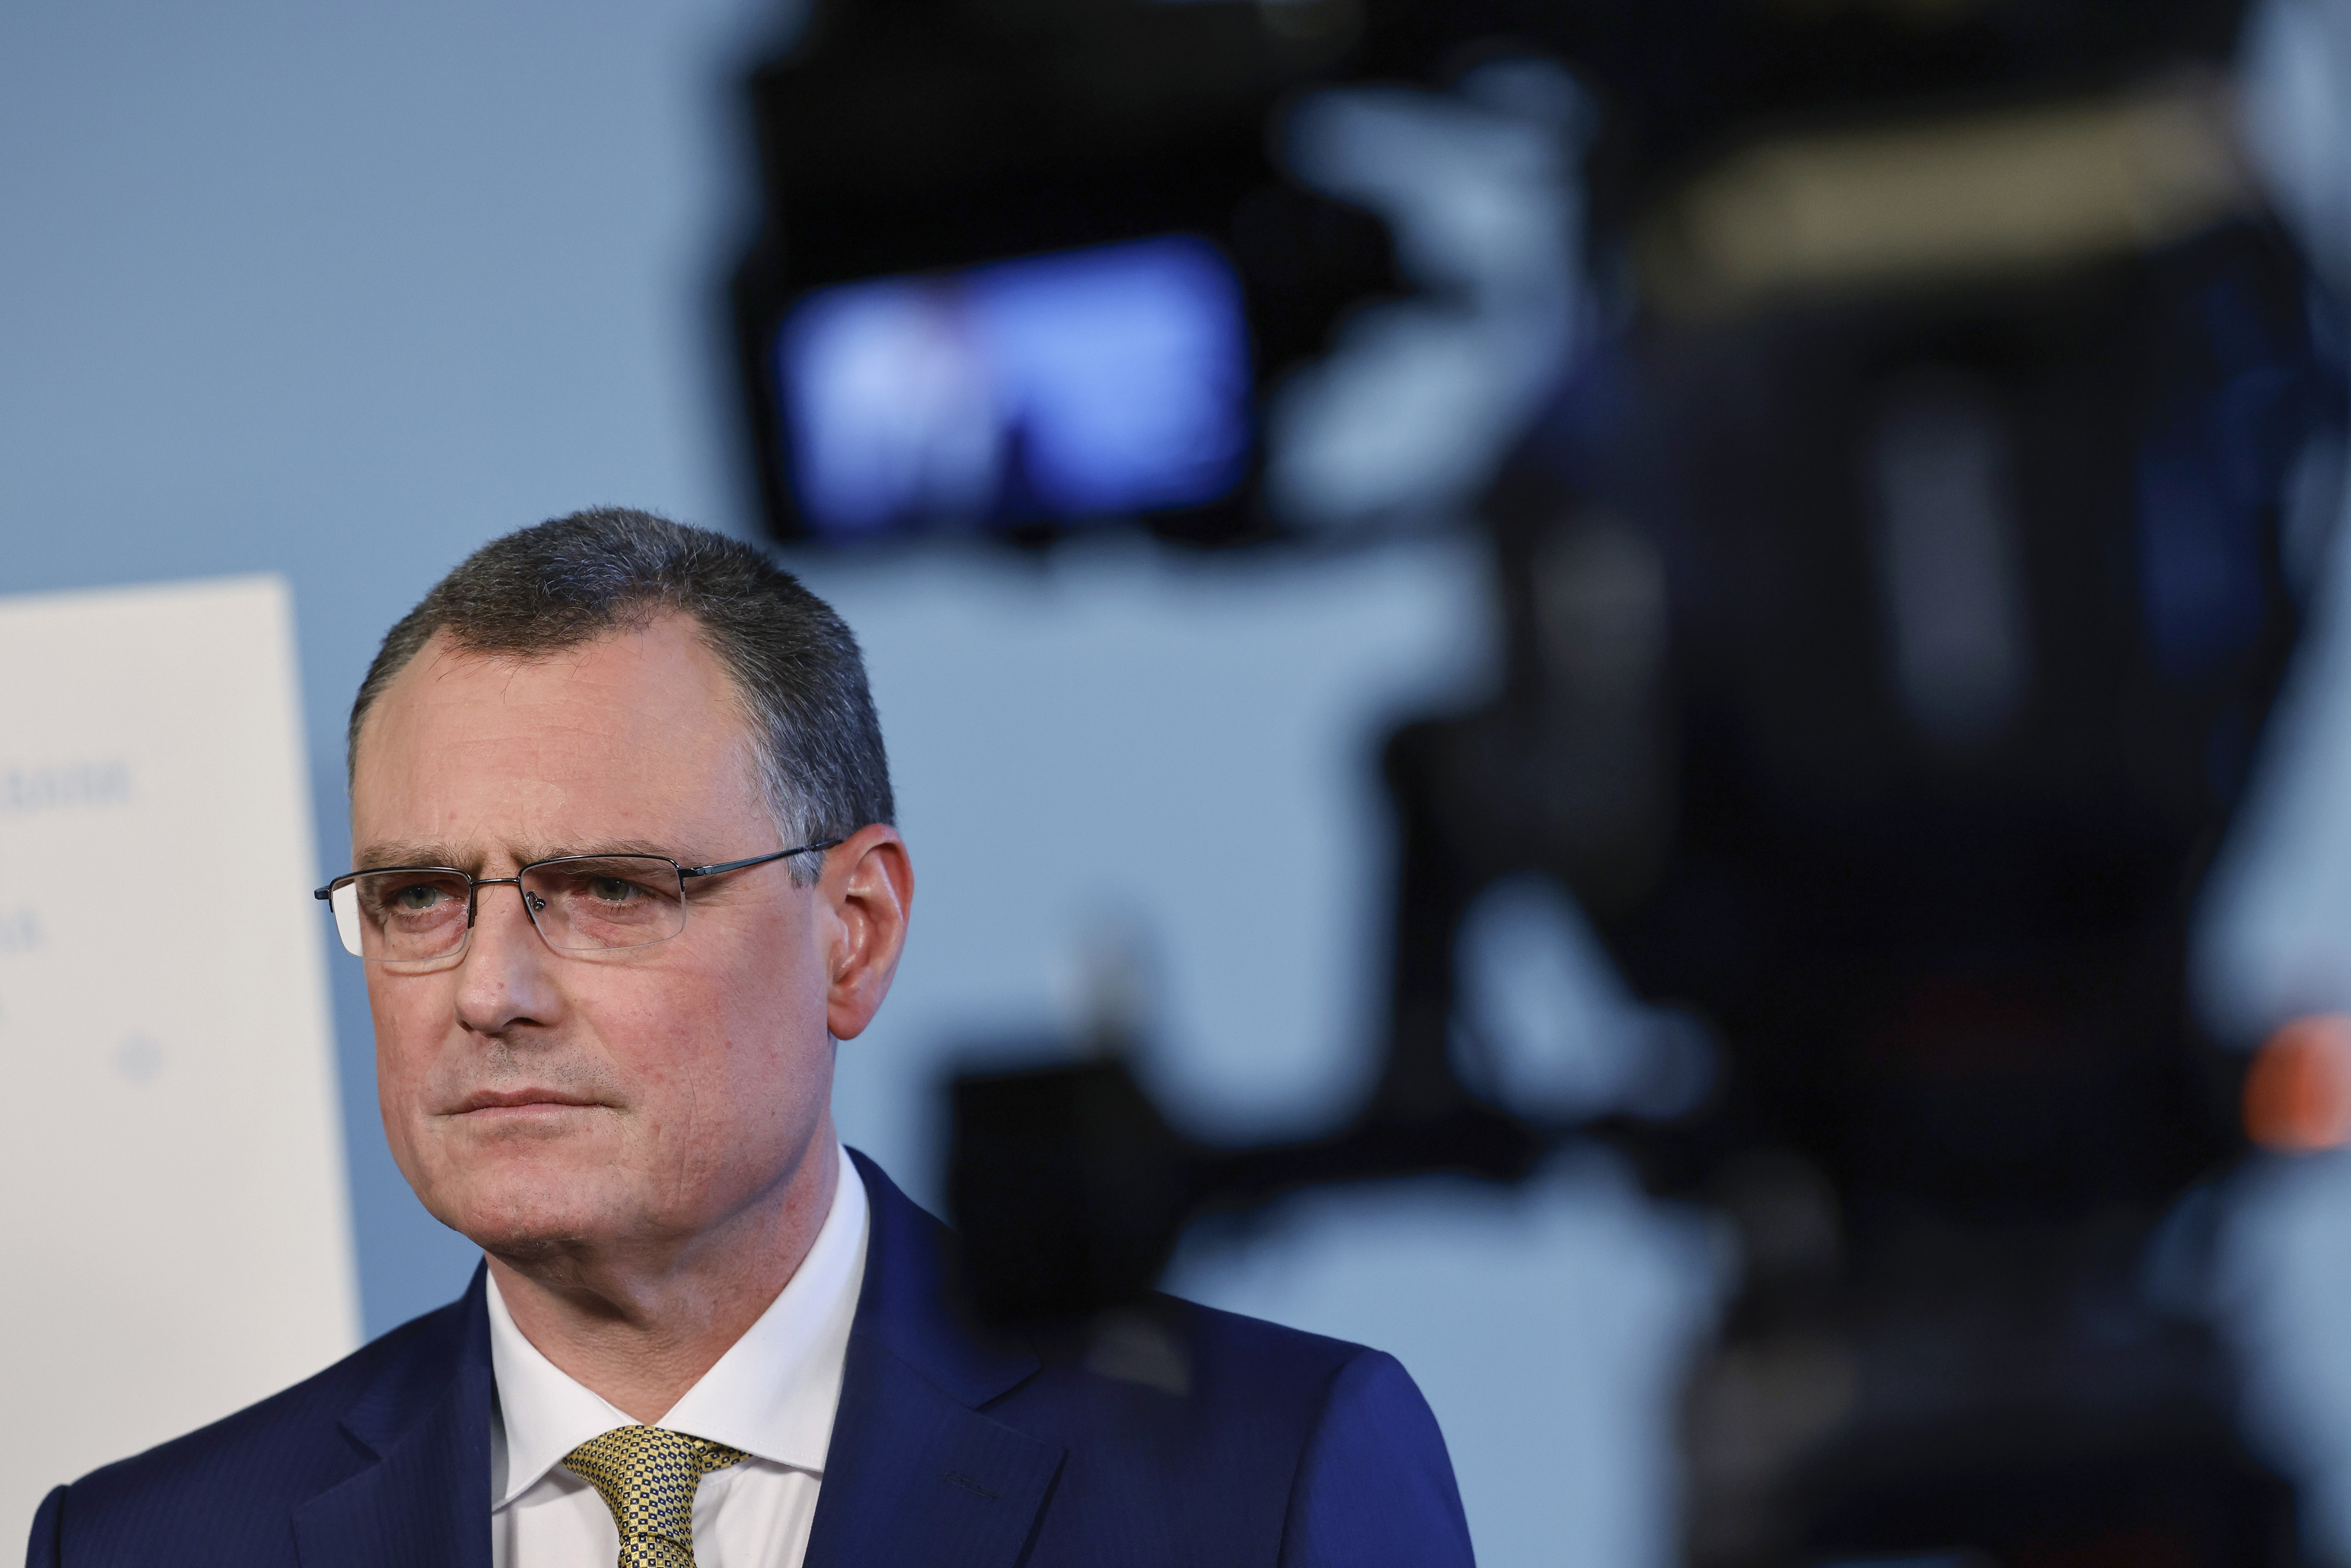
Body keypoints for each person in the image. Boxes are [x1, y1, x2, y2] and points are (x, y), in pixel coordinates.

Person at [25, 510, 1475, 1568]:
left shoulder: (1262, 1476)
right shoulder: (147, 1544)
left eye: (606, 888)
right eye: (417, 897)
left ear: (853, 928)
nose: (488, 989)